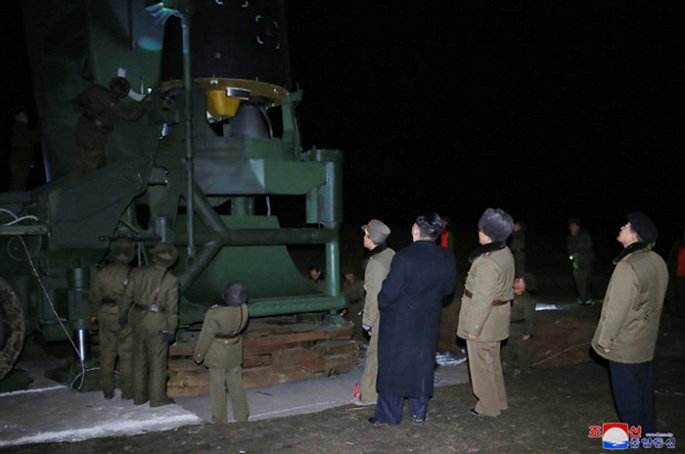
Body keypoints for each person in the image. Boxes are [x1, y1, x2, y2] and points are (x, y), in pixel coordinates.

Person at [370, 213, 456, 426]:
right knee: (422, 366)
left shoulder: (404, 257)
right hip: (429, 319)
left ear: (416, 231)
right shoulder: (447, 257)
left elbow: (389, 293)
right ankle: (419, 413)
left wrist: (382, 302)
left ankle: (389, 415)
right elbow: (448, 289)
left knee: (393, 367)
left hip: (400, 321)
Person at [591, 212, 668, 433]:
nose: (621, 228)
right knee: (644, 391)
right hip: (645, 340)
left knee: (628, 397)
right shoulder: (657, 260)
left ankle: (635, 438)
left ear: (634, 235)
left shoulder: (628, 266)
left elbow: (617, 309)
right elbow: (653, 304)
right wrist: (643, 320)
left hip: (625, 344)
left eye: (626, 226)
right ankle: (648, 432)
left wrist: (606, 340)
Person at [457, 207, 515, 417]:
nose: (478, 232)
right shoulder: (504, 252)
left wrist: (473, 328)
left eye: (481, 229)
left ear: (488, 234)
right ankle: (499, 401)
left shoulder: (488, 262)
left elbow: (482, 298)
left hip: (485, 320)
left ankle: (488, 407)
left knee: (481, 366)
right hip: (496, 317)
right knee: (492, 363)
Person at [120, 242, 179, 407]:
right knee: (157, 362)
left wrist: (123, 314)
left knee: (138, 360)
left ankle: (139, 397)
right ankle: (157, 398)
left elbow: (126, 297)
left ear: (154, 257)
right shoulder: (171, 280)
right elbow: (172, 309)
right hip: (157, 323)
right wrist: (171, 329)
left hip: (137, 320)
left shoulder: (137, 273)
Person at [193, 282, 250, 423]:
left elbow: (206, 336)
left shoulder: (215, 313)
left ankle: (219, 419)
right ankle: (242, 416)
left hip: (217, 352)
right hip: (235, 348)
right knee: (236, 384)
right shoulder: (243, 308)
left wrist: (198, 355)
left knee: (217, 387)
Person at [88, 237, 136, 400]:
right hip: (127, 316)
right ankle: (127, 391)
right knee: (126, 355)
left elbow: (94, 297)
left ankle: (107, 390)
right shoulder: (133, 274)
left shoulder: (102, 273)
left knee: (107, 354)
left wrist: (94, 316)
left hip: (105, 314)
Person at [73, 76, 149, 177]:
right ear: (123, 94)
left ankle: (75, 181)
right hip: (96, 136)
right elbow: (133, 115)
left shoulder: (95, 91)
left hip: (82, 128)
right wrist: (144, 103)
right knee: (92, 168)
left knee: (78, 162)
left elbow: (79, 100)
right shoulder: (116, 107)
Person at [356, 219, 394, 406]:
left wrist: (368, 321)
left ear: (370, 238)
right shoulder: (390, 254)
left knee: (374, 354)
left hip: (381, 315)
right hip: (394, 312)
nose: (363, 237)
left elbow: (373, 296)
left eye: (365, 234)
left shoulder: (375, 263)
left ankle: (369, 394)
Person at [501, 276, 536, 376]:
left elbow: (530, 317)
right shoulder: (507, 295)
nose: (518, 284)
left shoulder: (527, 299)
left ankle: (526, 370)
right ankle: (507, 371)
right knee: (506, 352)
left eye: (521, 282)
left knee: (522, 352)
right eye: (516, 281)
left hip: (519, 329)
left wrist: (528, 332)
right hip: (505, 329)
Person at [8, 105, 40, 191]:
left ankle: (15, 195)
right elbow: (34, 137)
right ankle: (16, 196)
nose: (26, 118)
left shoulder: (19, 127)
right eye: (23, 116)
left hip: (19, 155)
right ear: (17, 118)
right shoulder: (20, 126)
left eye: (26, 116)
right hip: (20, 155)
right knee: (20, 179)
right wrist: (40, 128)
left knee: (18, 179)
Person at [567, 217, 595, 305]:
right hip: (576, 263)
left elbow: (589, 245)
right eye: (570, 226)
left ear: (578, 227)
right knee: (578, 280)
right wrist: (572, 256)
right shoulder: (570, 238)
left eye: (573, 226)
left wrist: (578, 253)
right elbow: (569, 250)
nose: (571, 228)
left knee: (586, 280)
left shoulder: (584, 234)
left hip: (586, 261)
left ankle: (587, 298)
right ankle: (582, 298)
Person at [341, 264, 366, 342]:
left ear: (353, 274)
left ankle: (362, 343)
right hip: (349, 310)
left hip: (358, 308)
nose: (347, 276)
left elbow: (361, 296)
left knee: (359, 329)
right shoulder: (346, 284)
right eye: (346, 275)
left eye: (349, 274)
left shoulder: (359, 283)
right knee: (351, 329)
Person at [665, 230, 685, 317]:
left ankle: (681, 312)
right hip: (674, 272)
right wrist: (667, 267)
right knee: (671, 291)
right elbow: (671, 257)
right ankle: (671, 311)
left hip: (683, 275)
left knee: (681, 293)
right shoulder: (678, 244)